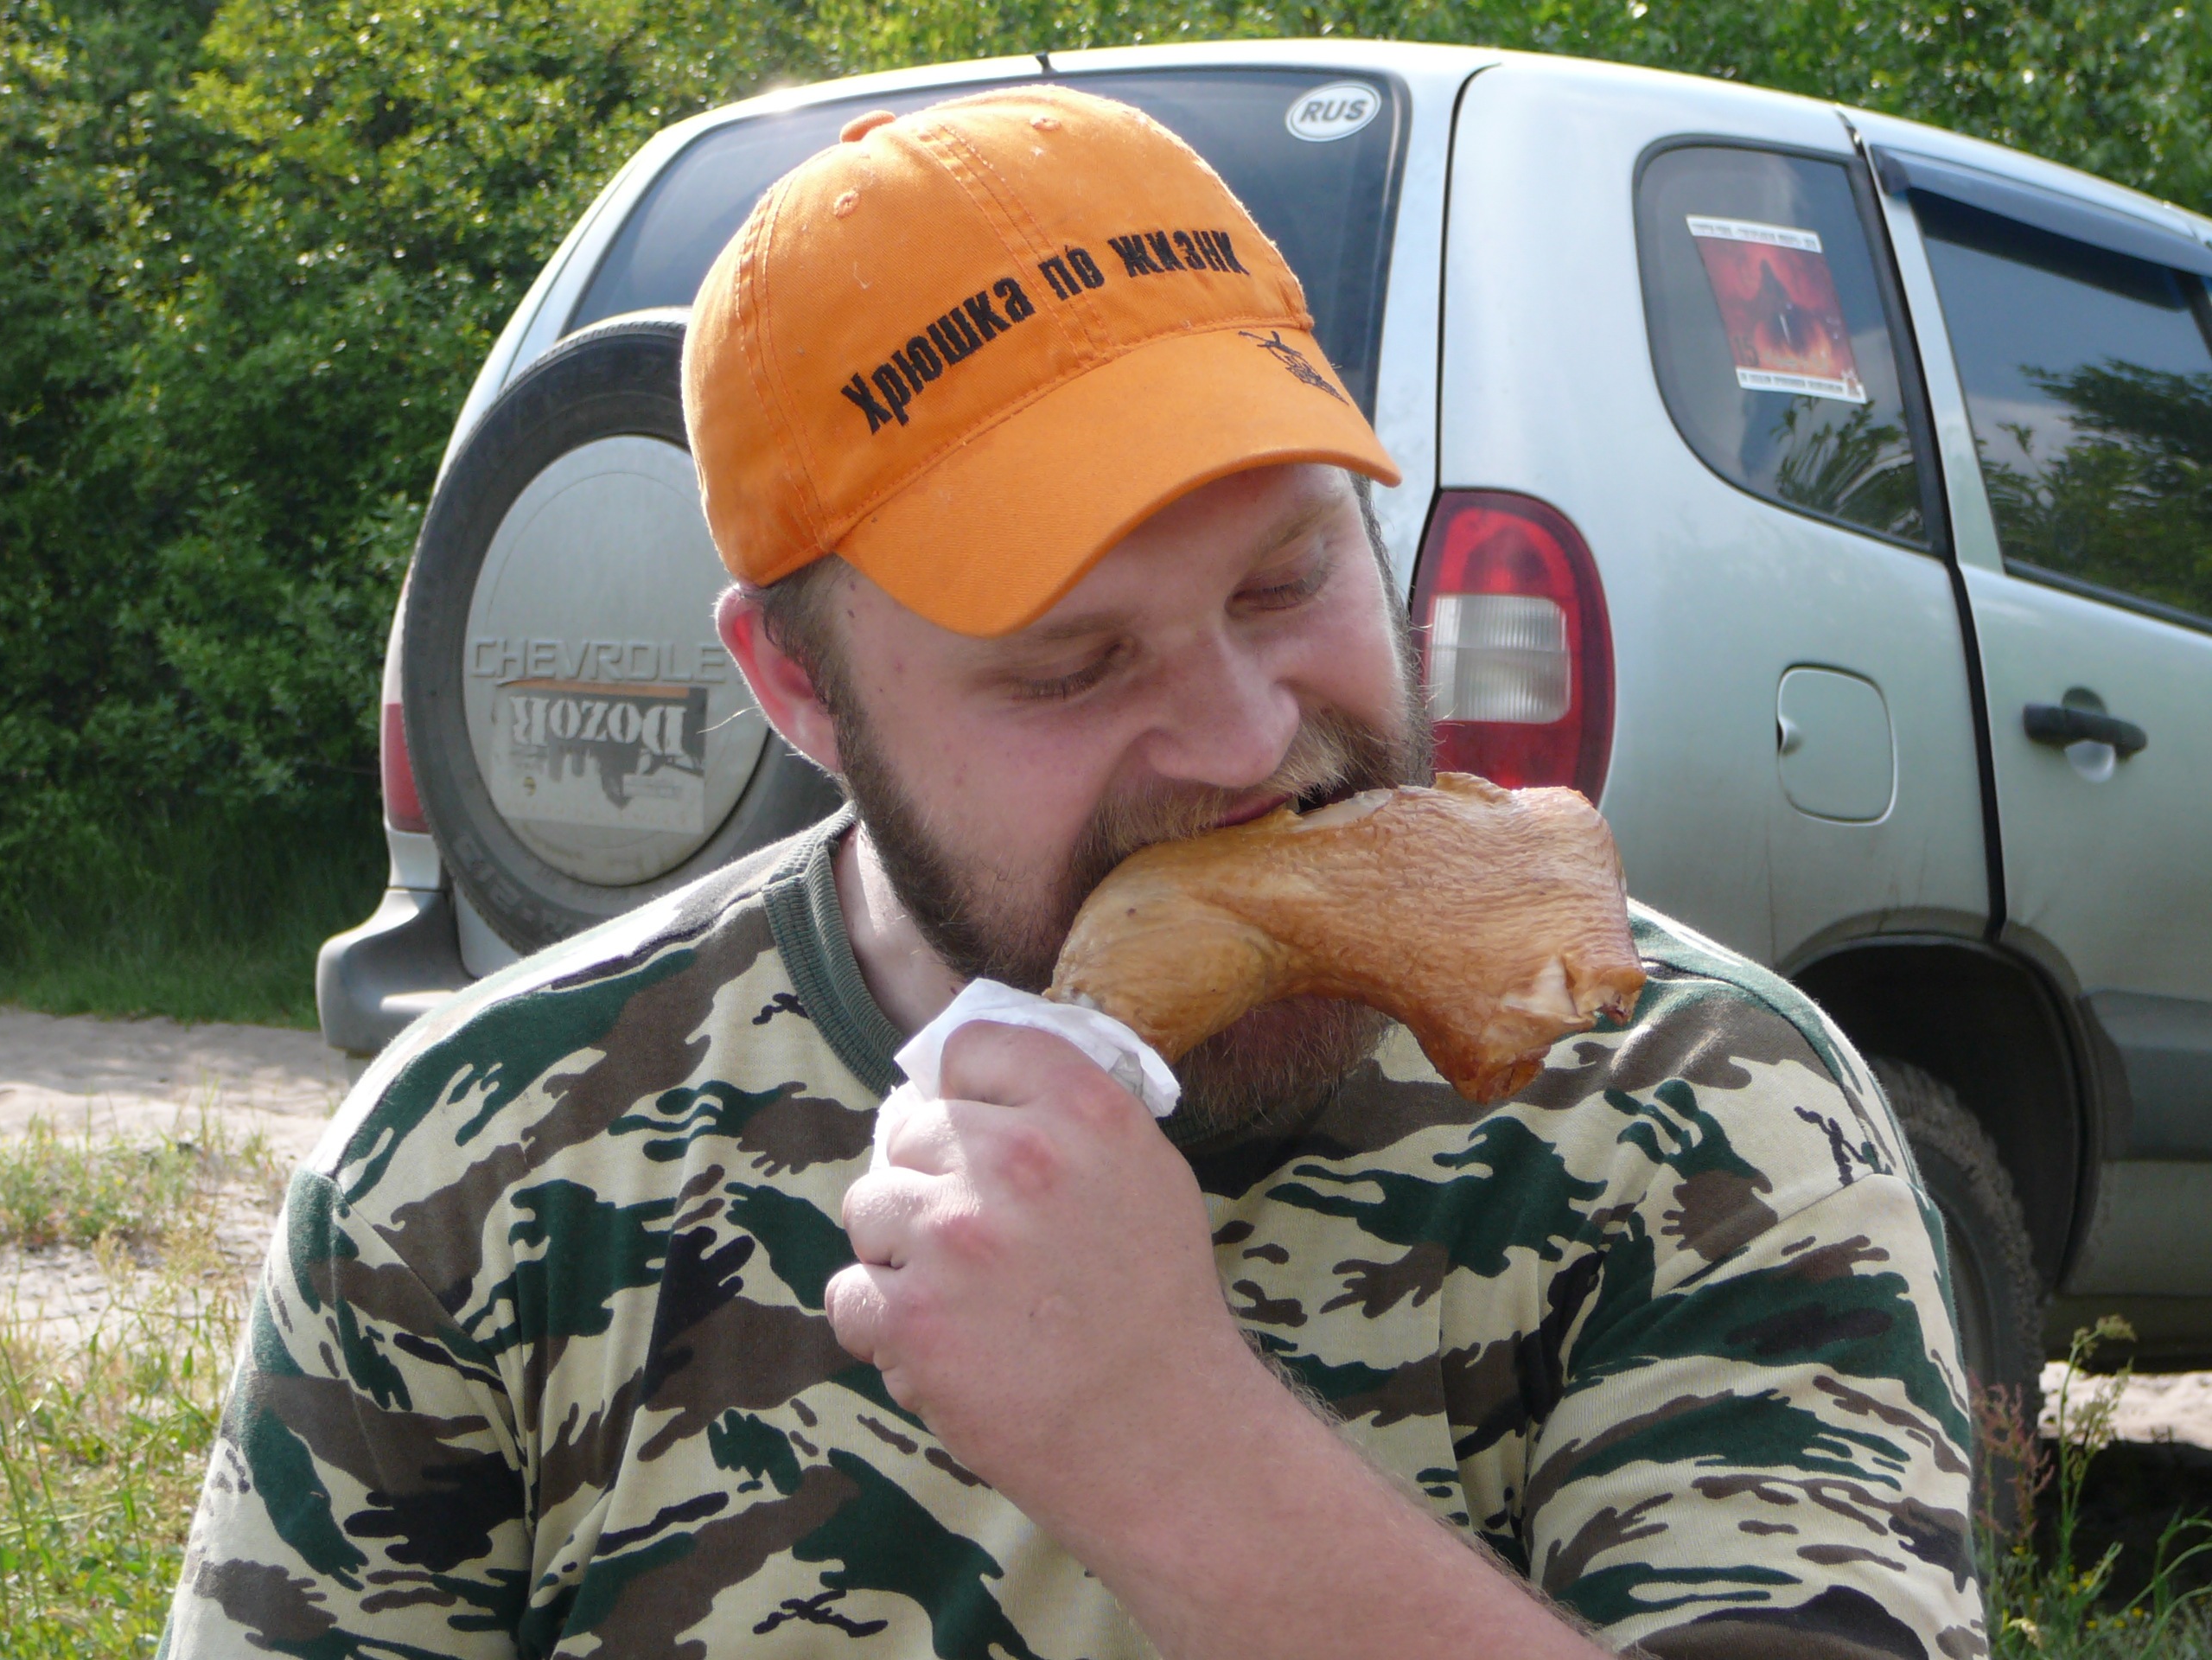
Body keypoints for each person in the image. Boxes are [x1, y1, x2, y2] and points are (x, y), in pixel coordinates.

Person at [161, 86, 1983, 1660]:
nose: (1246, 739)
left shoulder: (1694, 1109)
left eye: (1288, 578)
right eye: (1070, 666)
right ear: (797, 688)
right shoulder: (476, 1167)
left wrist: (1175, 1452)